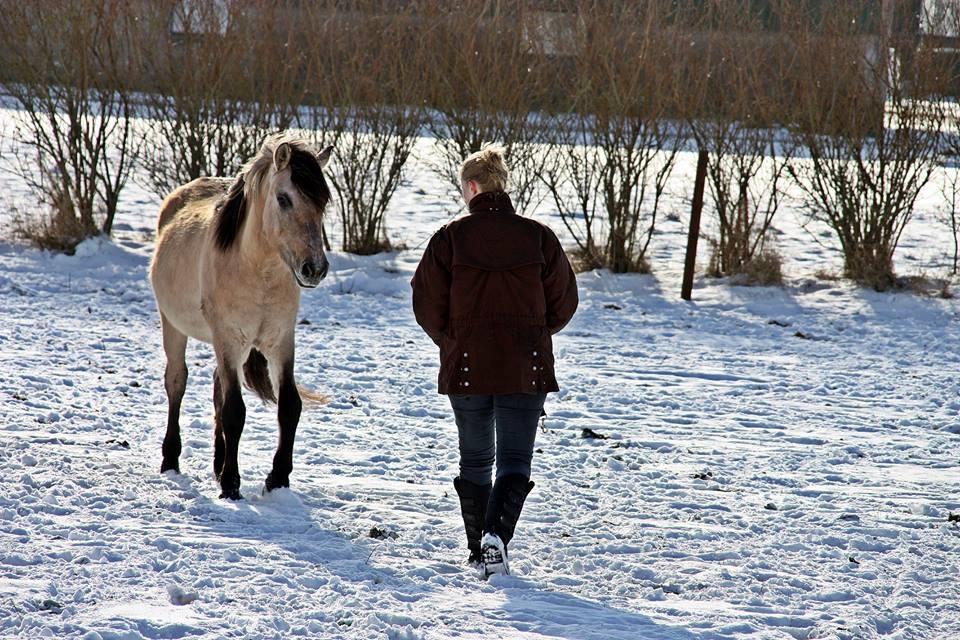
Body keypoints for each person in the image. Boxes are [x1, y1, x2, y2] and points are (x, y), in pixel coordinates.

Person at [411, 146, 578, 577]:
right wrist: (534, 336)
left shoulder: (449, 237)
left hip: (466, 365)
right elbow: (564, 302)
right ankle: (494, 541)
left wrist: (452, 340)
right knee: (515, 461)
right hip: (526, 365)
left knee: (475, 460)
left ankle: (477, 550)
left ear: (470, 187)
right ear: (501, 185)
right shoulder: (538, 236)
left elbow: (426, 303)